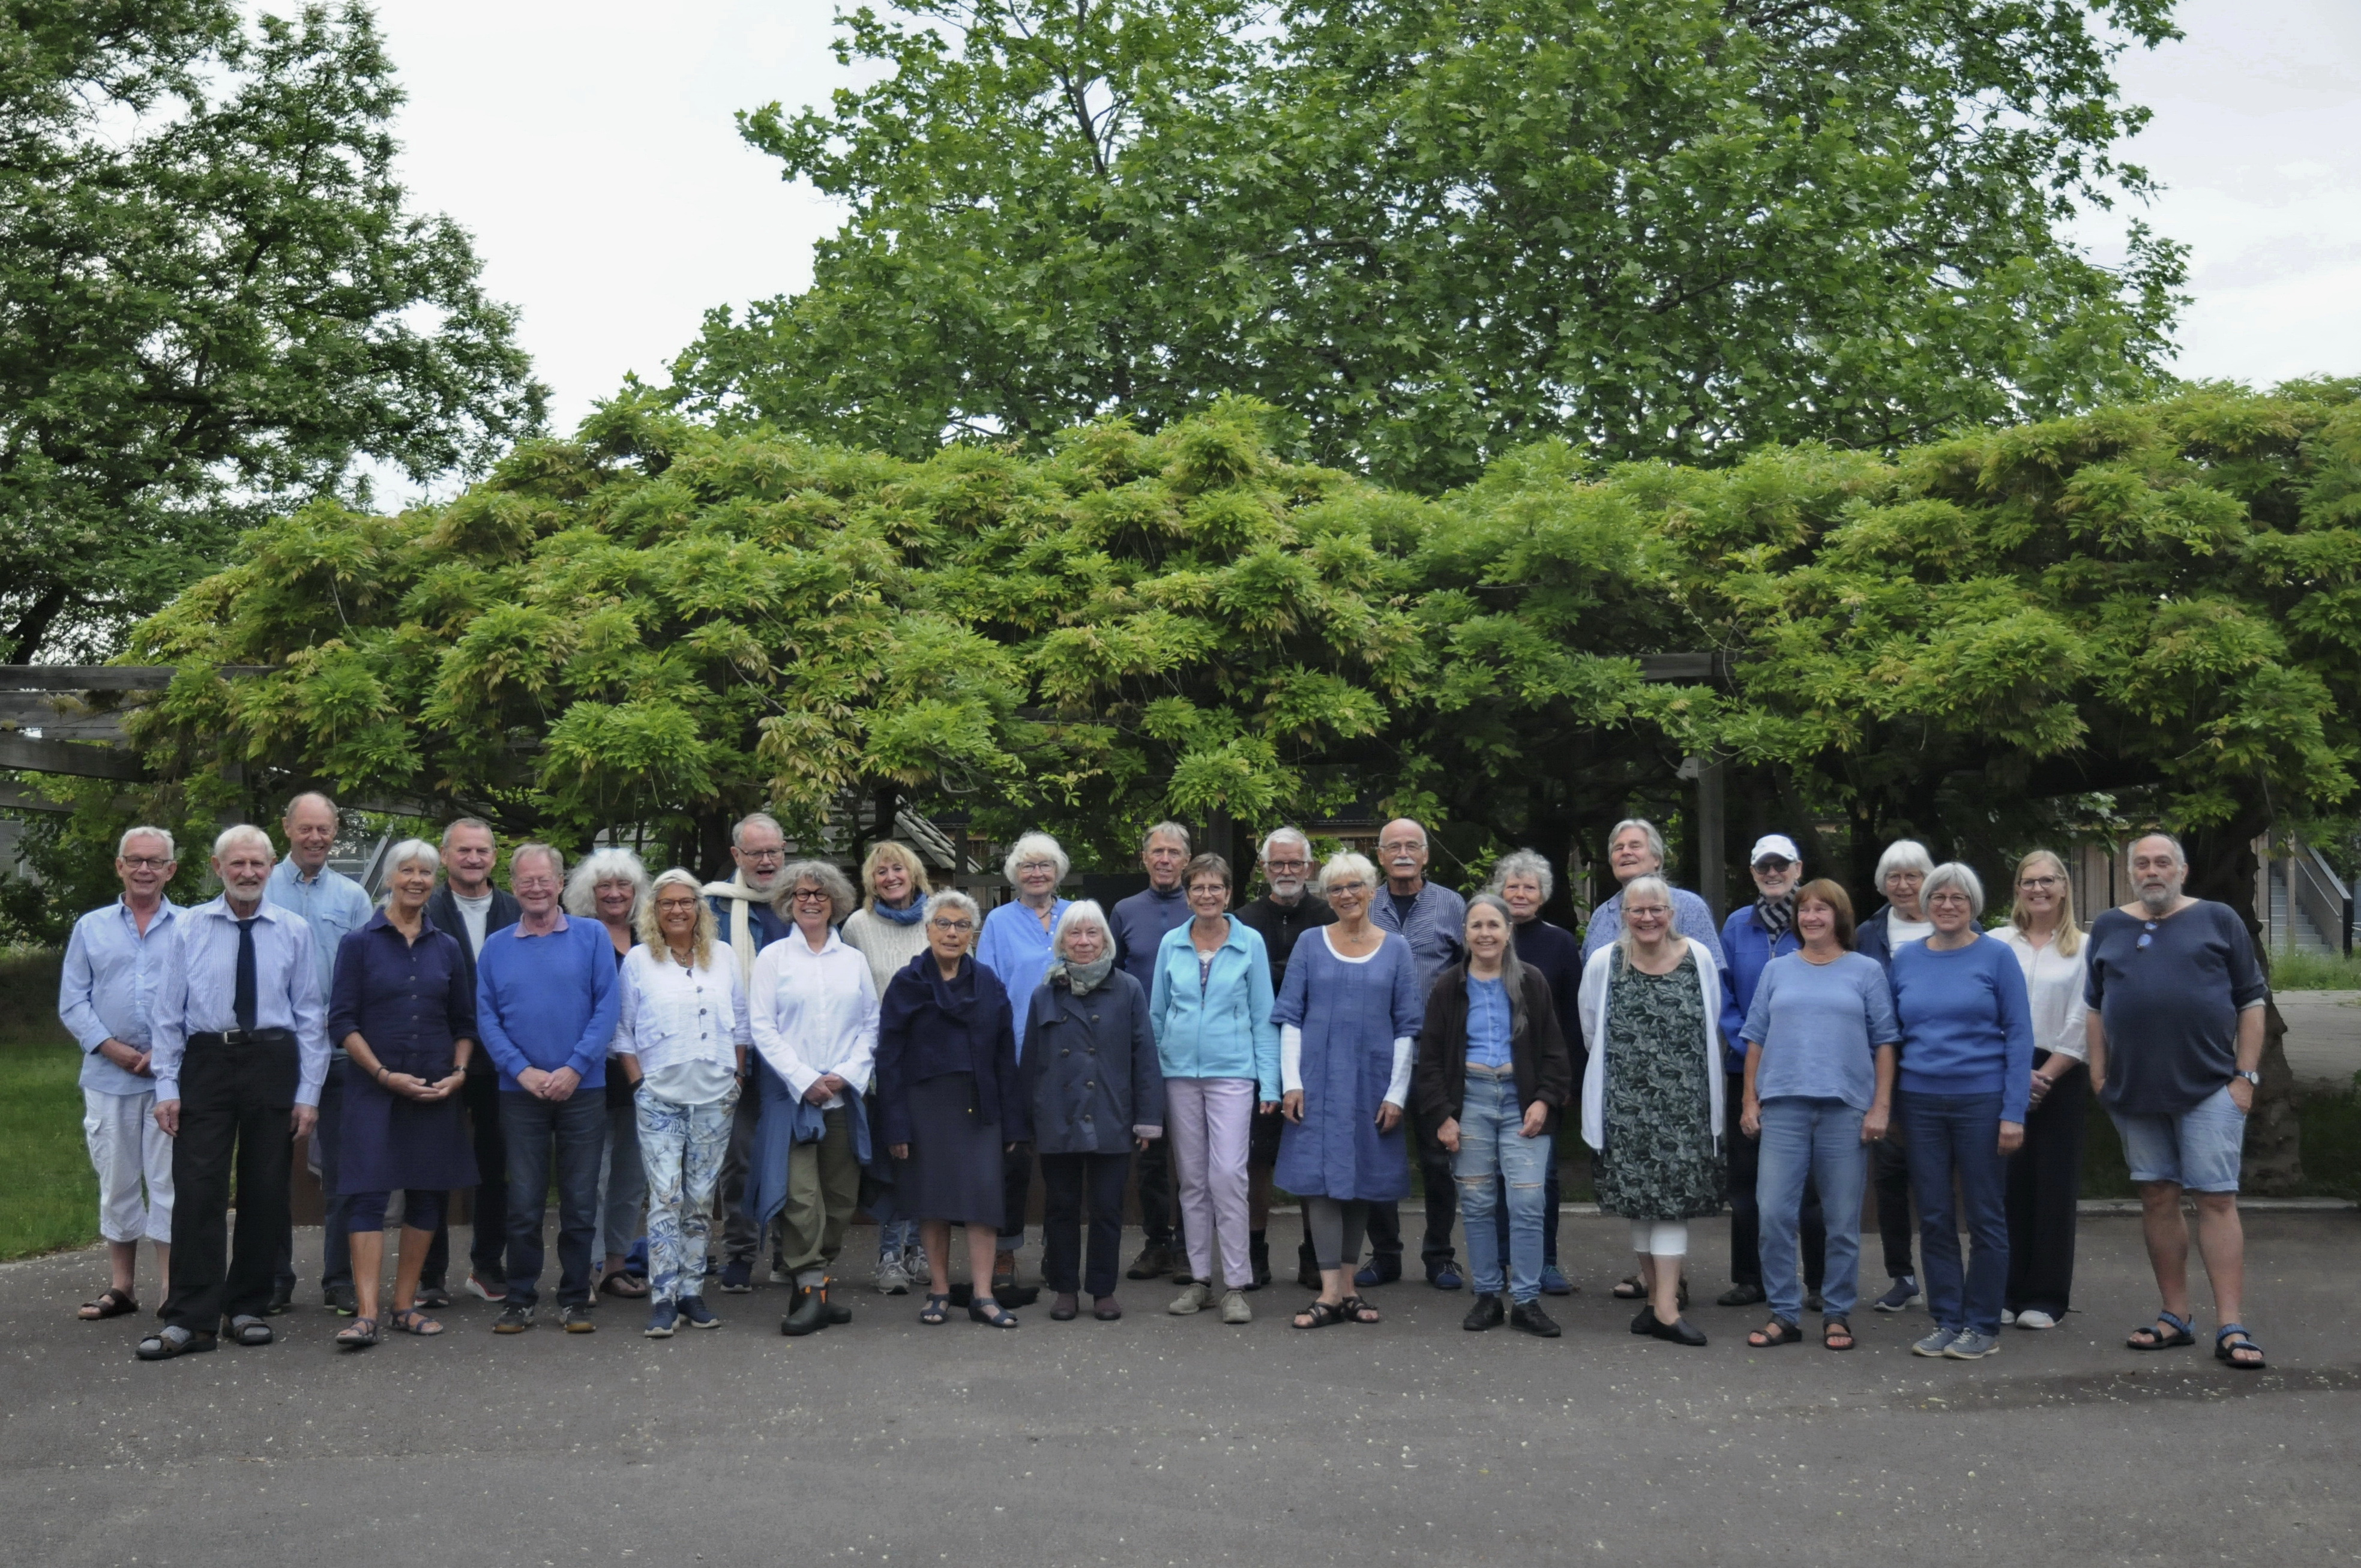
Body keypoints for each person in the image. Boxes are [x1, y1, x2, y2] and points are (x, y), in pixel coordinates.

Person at [136, 825, 329, 1360]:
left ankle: (247, 1307)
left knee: (266, 1189)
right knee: (197, 1190)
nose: (248, 873)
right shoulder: (189, 926)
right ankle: (190, 1319)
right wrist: (167, 1086)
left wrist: (309, 1092)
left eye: (257, 864)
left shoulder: (293, 930)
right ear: (218, 867)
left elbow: (310, 1015)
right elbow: (167, 1014)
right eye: (237, 863)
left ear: (271, 867)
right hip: (207, 1062)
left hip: (272, 1061)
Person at [2087, 833, 2270, 1371]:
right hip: (2135, 1091)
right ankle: (2175, 1316)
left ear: (2182, 870)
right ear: (2131, 873)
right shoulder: (2109, 926)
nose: (2153, 870)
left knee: (2216, 1199)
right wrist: (2098, 1075)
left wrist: (2245, 1077)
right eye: (2142, 863)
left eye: (2163, 861)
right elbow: (2094, 1006)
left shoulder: (2218, 919)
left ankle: (2231, 1325)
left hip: (2211, 1086)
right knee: (2157, 1197)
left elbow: (2252, 1001)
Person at [324, 840, 479, 1347]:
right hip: (374, 1088)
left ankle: (404, 1306)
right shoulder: (358, 943)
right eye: (407, 870)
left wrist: (459, 1072)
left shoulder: (447, 947)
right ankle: (366, 1313)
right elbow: (342, 1021)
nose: (416, 879)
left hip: (435, 1088)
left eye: (426, 872)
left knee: (427, 1193)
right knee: (367, 1194)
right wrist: (383, 1074)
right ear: (390, 878)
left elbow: (464, 1022)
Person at [1737, 880, 1899, 1353]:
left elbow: (1885, 1043)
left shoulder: (1866, 971)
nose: (1811, 917)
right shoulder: (1777, 970)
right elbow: (1755, 1039)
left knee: (1841, 1220)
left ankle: (1837, 1312)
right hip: (1783, 1107)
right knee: (1773, 1214)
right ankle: (1784, 1313)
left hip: (1845, 1109)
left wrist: (1880, 1106)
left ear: (1839, 916)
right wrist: (1749, 1101)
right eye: (1804, 909)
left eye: (1821, 909)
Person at [1273, 853, 1424, 1330]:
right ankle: (1329, 1291)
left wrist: (1397, 1092)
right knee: (1321, 1185)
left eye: (1354, 885)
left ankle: (1348, 1287)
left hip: (1372, 1082)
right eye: (1336, 888)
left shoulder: (1396, 948)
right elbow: (1290, 1016)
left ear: (1372, 890)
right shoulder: (1310, 943)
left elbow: (1407, 1026)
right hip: (1317, 1081)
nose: (1346, 895)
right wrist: (1292, 1082)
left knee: (1362, 1181)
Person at [1890, 862, 2033, 1362]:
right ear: (1925, 903)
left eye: (1959, 897)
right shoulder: (1907, 959)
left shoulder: (1997, 956)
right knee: (1933, 1215)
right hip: (1920, 1101)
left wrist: (2013, 1111)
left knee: (1985, 1216)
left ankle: (1982, 1324)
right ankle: (1947, 1319)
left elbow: (2020, 1035)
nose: (1947, 905)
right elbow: (1891, 1036)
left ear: (1974, 904)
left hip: (1982, 1100)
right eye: (1938, 896)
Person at [1414, 894, 1574, 1338]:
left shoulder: (1531, 981)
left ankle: (1526, 1301)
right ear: (1465, 934)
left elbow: (1555, 1051)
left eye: (1493, 925)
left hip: (1523, 1102)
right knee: (1478, 1203)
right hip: (1471, 1100)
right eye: (1476, 926)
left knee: (1528, 1203)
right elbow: (1431, 1059)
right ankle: (1487, 1294)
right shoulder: (1449, 986)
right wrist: (1443, 1114)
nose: (1485, 934)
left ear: (1508, 932)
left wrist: (1544, 1099)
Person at [476, 843, 621, 1335]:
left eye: (545, 879)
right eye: (526, 880)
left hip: (583, 1087)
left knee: (580, 1200)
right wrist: (522, 1070)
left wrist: (575, 1067)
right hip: (520, 1092)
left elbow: (608, 1007)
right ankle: (520, 1298)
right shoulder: (496, 946)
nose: (536, 888)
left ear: (561, 883)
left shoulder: (592, 935)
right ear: (513, 885)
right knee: (524, 1202)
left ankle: (575, 1297)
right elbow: (486, 1017)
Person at [1577, 874, 1724, 1347]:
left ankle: (1665, 1307)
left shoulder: (1699, 958)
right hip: (1625, 1105)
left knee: (1672, 1204)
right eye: (1637, 910)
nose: (1647, 917)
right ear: (1624, 916)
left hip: (1684, 1105)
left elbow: (1712, 1020)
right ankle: (1656, 1305)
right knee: (1638, 1203)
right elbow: (1590, 1029)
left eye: (1656, 909)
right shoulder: (1604, 961)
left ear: (1671, 913)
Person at [876, 891, 1024, 1328]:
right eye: (943, 923)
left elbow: (1005, 1054)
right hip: (924, 1107)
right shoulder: (907, 983)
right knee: (933, 1201)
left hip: (980, 1105)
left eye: (962, 925)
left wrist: (1013, 1122)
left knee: (983, 1201)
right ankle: (939, 1291)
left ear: (972, 934)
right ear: (928, 929)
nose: (952, 932)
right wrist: (895, 1123)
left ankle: (983, 1295)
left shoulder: (989, 983)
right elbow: (889, 1057)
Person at [616, 868, 750, 1337]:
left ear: (699, 909)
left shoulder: (723, 956)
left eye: (686, 902)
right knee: (666, 1195)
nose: (677, 910)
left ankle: (692, 1291)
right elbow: (623, 1031)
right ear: (654, 911)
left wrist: (736, 1077)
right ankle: (663, 1296)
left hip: (715, 1095)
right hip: (660, 1096)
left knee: (700, 1199)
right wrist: (639, 1084)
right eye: (667, 903)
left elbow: (740, 1022)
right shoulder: (639, 960)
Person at [746, 860, 878, 1336]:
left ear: (835, 901)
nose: (811, 901)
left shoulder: (853, 960)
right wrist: (805, 1078)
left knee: (840, 1199)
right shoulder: (773, 958)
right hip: (793, 1098)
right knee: (801, 1198)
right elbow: (762, 1026)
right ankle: (809, 1286)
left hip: (843, 1097)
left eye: (820, 894)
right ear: (788, 900)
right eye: (802, 893)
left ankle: (814, 1286)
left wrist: (844, 1075)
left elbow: (871, 1023)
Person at [1147, 853, 1280, 1324]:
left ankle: (1237, 1284)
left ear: (1228, 893)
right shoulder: (1171, 943)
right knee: (1192, 1179)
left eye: (1215, 887)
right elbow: (1157, 1014)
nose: (1207, 895)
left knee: (1228, 1175)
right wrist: (1153, 1078)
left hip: (1233, 1074)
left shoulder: (1249, 942)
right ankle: (1200, 1280)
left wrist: (1270, 1082)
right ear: (1187, 895)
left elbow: (1264, 1015)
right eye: (1198, 887)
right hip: (1179, 1074)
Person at [59, 827, 182, 1324]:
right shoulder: (90, 927)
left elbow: (202, 996)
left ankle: (171, 1288)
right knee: (116, 1181)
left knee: (168, 1181)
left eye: (155, 861)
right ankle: (122, 1286)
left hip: (170, 1078)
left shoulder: (191, 925)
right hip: (107, 1076)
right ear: (120, 866)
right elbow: (73, 1000)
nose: (145, 869)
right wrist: (111, 1048)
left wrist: (162, 1051)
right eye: (135, 860)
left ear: (171, 869)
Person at [1022, 901, 1162, 1321]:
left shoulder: (1129, 988)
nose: (1083, 942)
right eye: (1074, 933)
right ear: (1062, 941)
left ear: (1106, 939)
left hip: (1111, 1112)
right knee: (1060, 1207)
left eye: (1092, 933)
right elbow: (1031, 1060)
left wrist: (1148, 1118)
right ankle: (1065, 1288)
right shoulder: (1045, 992)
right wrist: (1025, 1121)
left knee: (1107, 1208)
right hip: (1058, 1115)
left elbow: (1145, 1057)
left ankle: (1103, 1289)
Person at [265, 791, 374, 1316]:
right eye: (305, 828)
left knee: (342, 1173)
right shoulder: (259, 886)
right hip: (273, 1051)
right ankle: (273, 1278)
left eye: (324, 829)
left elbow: (367, 971)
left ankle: (339, 1279)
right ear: (287, 828)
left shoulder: (353, 897)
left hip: (337, 1054)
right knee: (269, 1170)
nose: (315, 838)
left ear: (335, 833)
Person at [1716, 834, 1823, 1311]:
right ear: (1754, 872)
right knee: (1746, 1181)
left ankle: (1819, 1282)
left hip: (1805, 1069)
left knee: (1812, 1184)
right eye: (1765, 867)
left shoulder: (1816, 921)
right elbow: (1724, 994)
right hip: (1746, 1069)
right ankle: (1750, 1278)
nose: (1773, 873)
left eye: (1782, 865)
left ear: (1798, 868)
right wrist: (1750, 1047)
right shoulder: (1737, 925)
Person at [1362, 817, 1468, 1290]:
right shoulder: (1364, 902)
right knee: (1378, 1156)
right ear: (1380, 856)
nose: (1403, 853)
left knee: (1438, 1159)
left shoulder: (1452, 904)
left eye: (1412, 845)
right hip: (1377, 1055)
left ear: (1426, 854)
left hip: (1434, 1056)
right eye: (1393, 846)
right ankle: (1384, 1255)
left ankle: (1440, 1256)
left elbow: (1469, 976)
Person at [419, 817, 519, 1307]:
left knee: (496, 1164)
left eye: (482, 850)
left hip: (503, 1059)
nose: (473, 858)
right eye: (464, 850)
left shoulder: (516, 909)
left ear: (495, 857)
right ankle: (429, 1273)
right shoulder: (425, 908)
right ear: (444, 856)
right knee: (432, 1164)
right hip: (439, 1054)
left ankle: (488, 1264)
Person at [1236, 828, 1335, 1289]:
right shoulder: (1243, 920)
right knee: (1256, 1158)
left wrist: (1273, 972)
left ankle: (1314, 1253)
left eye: (1295, 863)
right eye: (1278, 863)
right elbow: (1241, 980)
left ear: (1310, 867)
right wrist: (1295, 969)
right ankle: (1254, 1251)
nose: (1287, 871)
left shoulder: (1329, 916)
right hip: (1255, 1054)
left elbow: (1327, 977)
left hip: (1317, 1052)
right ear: (1264, 867)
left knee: (1312, 1155)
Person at [975, 831, 1072, 1292]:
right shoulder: (998, 921)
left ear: (1058, 871)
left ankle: (1060, 1250)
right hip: (1014, 1057)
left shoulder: (1078, 915)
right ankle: (1005, 1252)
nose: (1037, 873)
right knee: (1012, 1164)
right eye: (1028, 865)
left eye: (1045, 864)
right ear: (1015, 873)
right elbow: (987, 990)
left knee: (1063, 1163)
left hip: (1070, 1058)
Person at [1999, 850, 2090, 1331]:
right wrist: (2012, 1074)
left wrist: (2045, 1076)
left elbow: (2084, 1017)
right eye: (2029, 881)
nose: (2039, 889)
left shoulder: (2085, 947)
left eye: (2048, 880)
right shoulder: (1997, 943)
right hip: (2002, 1070)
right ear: (2018, 888)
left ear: (2064, 887)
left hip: (2061, 1072)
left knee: (2053, 1185)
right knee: (2005, 1185)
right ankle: (2004, 1290)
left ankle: (2046, 1295)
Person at [704, 812, 796, 1294]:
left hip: (792, 1053)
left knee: (792, 1154)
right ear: (736, 855)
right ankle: (740, 1251)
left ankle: (790, 1251)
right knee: (738, 1157)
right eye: (756, 852)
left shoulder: (803, 902)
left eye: (773, 851)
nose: (766, 861)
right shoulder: (712, 906)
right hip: (733, 1050)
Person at [840, 840, 936, 1294]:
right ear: (871, 882)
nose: (891, 877)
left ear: (914, 874)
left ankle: (920, 1250)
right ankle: (889, 1255)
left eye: (898, 868)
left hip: (934, 1058)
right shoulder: (857, 926)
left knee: (928, 1158)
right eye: (881, 872)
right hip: (883, 1061)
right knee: (894, 1158)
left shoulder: (940, 916)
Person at [1486, 850, 1580, 1296]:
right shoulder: (1486, 936)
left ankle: (1545, 1262)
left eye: (1530, 887)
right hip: (1490, 1073)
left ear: (1543, 896)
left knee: (1543, 1177)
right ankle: (1502, 1261)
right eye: (1513, 886)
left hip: (1542, 1077)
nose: (1520, 894)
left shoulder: (1560, 943)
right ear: (1499, 891)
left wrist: (1565, 1081)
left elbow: (1573, 1016)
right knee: (1495, 1175)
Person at [1110, 821, 1194, 1282]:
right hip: (1140, 1047)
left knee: (1191, 1153)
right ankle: (1157, 1241)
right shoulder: (1124, 910)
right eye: (1157, 851)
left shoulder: (1202, 904)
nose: (1165, 859)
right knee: (1150, 1151)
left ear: (1186, 859)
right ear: (1144, 858)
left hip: (1193, 1047)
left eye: (1173, 852)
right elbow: (1111, 975)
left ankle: (1188, 1245)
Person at [567, 847, 652, 1303]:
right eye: (605, 885)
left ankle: (616, 1266)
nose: (615, 893)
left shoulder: (650, 936)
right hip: (589, 1073)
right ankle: (584, 1267)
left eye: (624, 885)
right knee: (590, 1177)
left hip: (642, 1075)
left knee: (630, 1178)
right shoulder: (576, 934)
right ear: (590, 891)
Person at [1854, 838, 1935, 1313]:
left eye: (1913, 875)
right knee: (1889, 1174)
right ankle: (1901, 1275)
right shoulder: (1868, 933)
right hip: (1880, 1067)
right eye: (1894, 876)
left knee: (1936, 1176)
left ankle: (1945, 1275)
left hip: (1938, 1067)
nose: (1903, 885)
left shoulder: (1956, 923)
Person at [1579, 819, 1730, 971]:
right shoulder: (1601, 916)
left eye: (1635, 846)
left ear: (1657, 859)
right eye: (1618, 848)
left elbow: (1713, 974)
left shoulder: (1690, 906)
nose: (1625, 852)